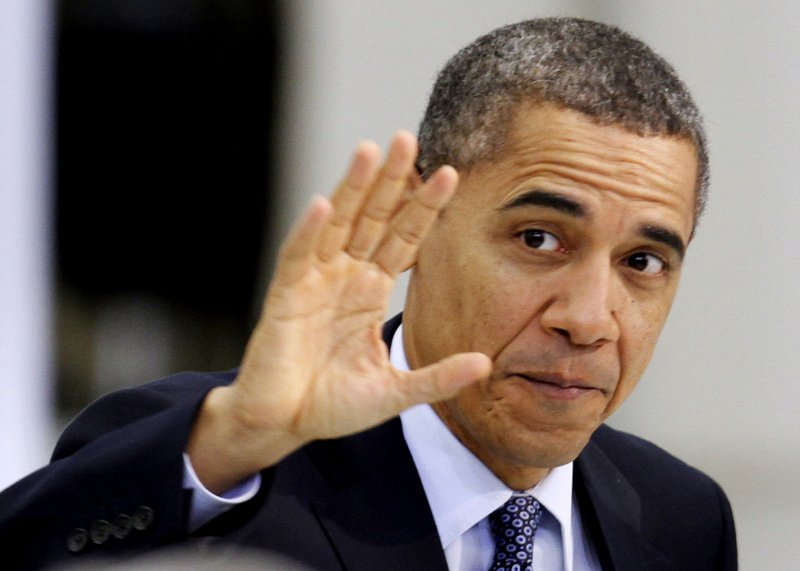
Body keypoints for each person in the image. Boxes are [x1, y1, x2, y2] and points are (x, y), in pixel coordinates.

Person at [0, 17, 736, 571]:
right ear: (416, 221)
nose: (586, 319)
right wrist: (231, 442)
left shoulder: (682, 517)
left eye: (642, 259)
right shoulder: (220, 463)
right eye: (538, 239)